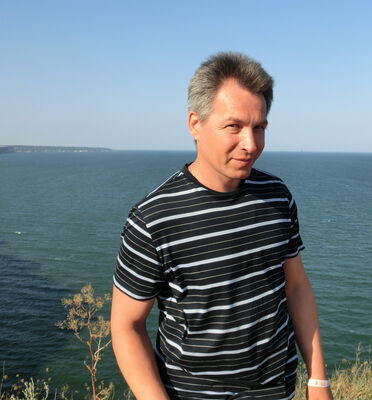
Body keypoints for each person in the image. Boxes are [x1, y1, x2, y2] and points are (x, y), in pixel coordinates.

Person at [111, 52, 333, 400]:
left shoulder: (276, 196)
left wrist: (317, 380)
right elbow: (126, 326)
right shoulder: (153, 218)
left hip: (277, 390)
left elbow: (296, 287)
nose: (251, 144)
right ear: (195, 124)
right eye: (234, 126)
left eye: (259, 128)